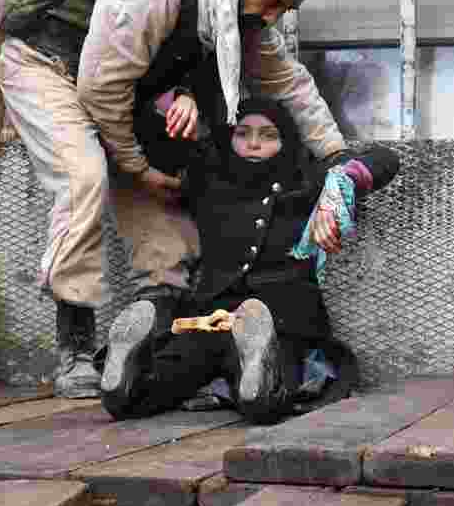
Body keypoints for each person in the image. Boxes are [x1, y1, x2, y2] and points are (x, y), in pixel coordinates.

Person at [0, 0, 347, 398]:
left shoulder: (233, 7)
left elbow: (289, 82)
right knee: (84, 177)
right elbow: (100, 92)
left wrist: (338, 157)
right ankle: (75, 349)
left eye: (285, 9)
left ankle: (152, 334)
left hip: (112, 86)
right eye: (273, 1)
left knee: (163, 205)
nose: (274, 17)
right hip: (46, 65)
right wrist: (139, 168)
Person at [99, 97, 399, 422]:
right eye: (244, 133)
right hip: (210, 319)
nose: (254, 143)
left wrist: (341, 183)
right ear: (230, 137)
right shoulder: (208, 175)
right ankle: (124, 383)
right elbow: (146, 133)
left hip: (280, 321)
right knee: (159, 382)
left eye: (268, 135)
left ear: (286, 139)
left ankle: (256, 366)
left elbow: (386, 158)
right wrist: (185, 95)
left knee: (266, 390)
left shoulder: (306, 178)